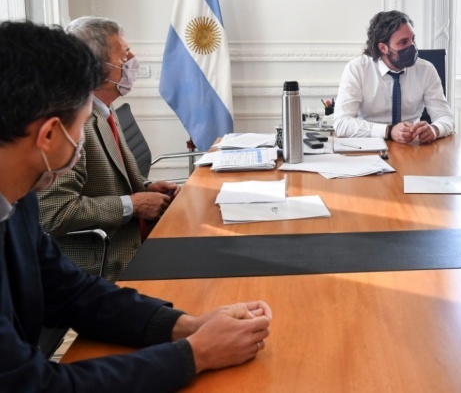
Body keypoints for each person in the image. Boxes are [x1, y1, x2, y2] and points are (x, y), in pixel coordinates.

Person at [0, 20, 272, 391]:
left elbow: (70, 290)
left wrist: (184, 325)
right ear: (49, 135)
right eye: (81, 126)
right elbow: (35, 385)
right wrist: (195, 354)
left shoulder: (19, 198)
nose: (82, 140)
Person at [37, 16, 179, 282]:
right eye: (125, 54)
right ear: (97, 68)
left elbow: (107, 184)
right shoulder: (69, 124)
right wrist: (131, 205)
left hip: (136, 241)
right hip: (101, 266)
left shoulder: (104, 109)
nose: (133, 59)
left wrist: (146, 189)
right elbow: (55, 213)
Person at [333, 10, 455, 144]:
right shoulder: (357, 69)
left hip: (412, 147)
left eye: (412, 39)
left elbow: (446, 117)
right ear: (383, 48)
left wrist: (435, 129)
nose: (412, 47)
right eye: (403, 42)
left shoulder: (426, 69)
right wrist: (388, 131)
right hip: (369, 146)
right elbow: (341, 123)